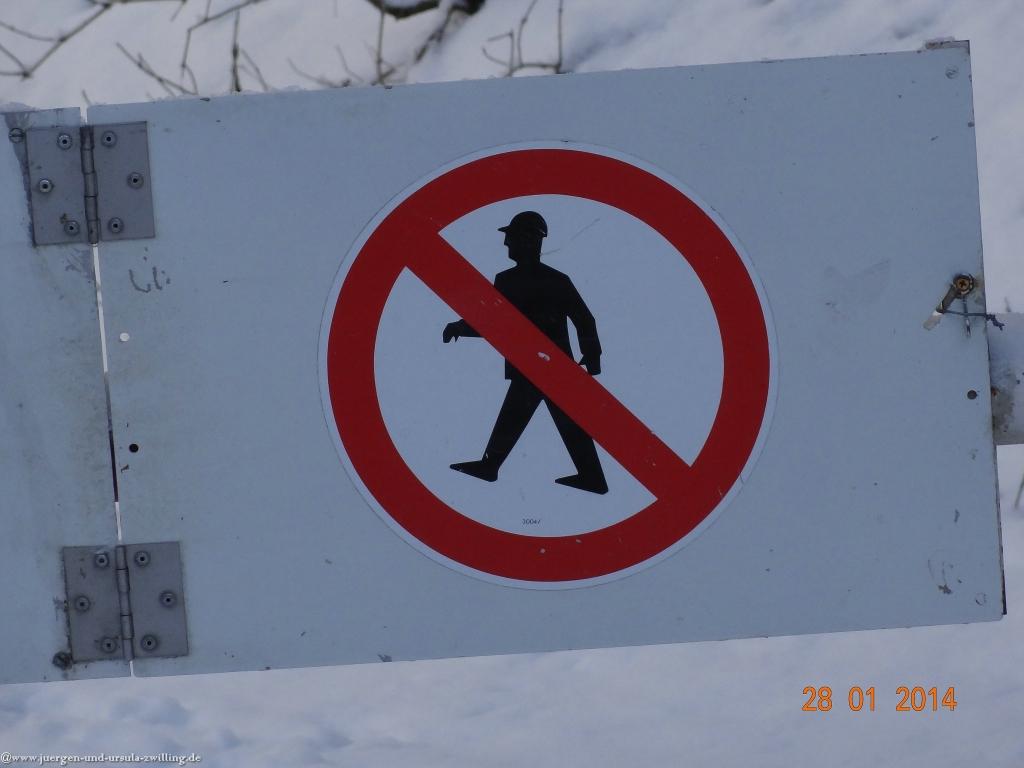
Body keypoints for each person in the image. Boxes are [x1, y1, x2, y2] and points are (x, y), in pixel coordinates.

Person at [442, 211, 608, 494]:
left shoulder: (545, 280)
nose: (506, 244)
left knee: (538, 419)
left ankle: (491, 466)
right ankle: (590, 477)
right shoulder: (514, 279)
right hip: (543, 368)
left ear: (529, 241)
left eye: (511, 238)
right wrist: (460, 327)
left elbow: (583, 318)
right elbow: (492, 321)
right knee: (539, 419)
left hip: (547, 369)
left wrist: (593, 360)